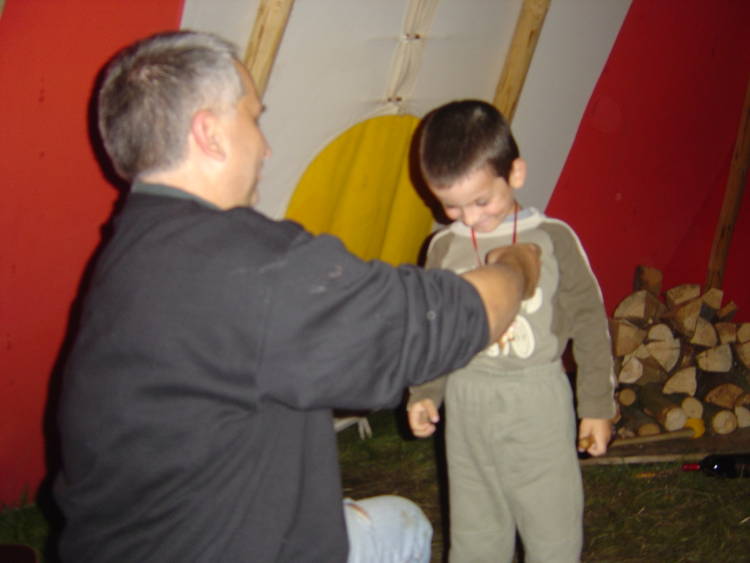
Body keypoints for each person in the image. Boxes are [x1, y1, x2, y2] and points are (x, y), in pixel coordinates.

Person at [53, 31, 541, 563]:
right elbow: (439, 322)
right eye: (253, 119)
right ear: (209, 133)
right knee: (406, 529)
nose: (265, 147)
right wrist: (517, 265)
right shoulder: (247, 266)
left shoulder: (131, 249)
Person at [406, 100, 617, 562]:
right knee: (475, 528)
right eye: (450, 205)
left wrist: (597, 405)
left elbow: (589, 323)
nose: (470, 218)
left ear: (515, 173)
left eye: (482, 201)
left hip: (536, 401)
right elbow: (433, 331)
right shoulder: (442, 248)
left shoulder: (553, 238)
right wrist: (425, 392)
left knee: (551, 526)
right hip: (467, 403)